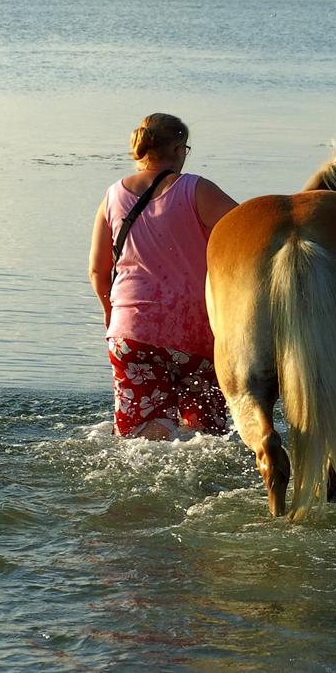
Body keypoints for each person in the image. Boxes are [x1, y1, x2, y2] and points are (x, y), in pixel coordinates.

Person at [88, 113, 238, 440]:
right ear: (175, 149)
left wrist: (109, 313)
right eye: (185, 148)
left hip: (131, 332)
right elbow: (248, 233)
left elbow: (98, 270)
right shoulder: (196, 189)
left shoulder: (112, 196)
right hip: (196, 333)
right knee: (204, 436)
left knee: (139, 439)